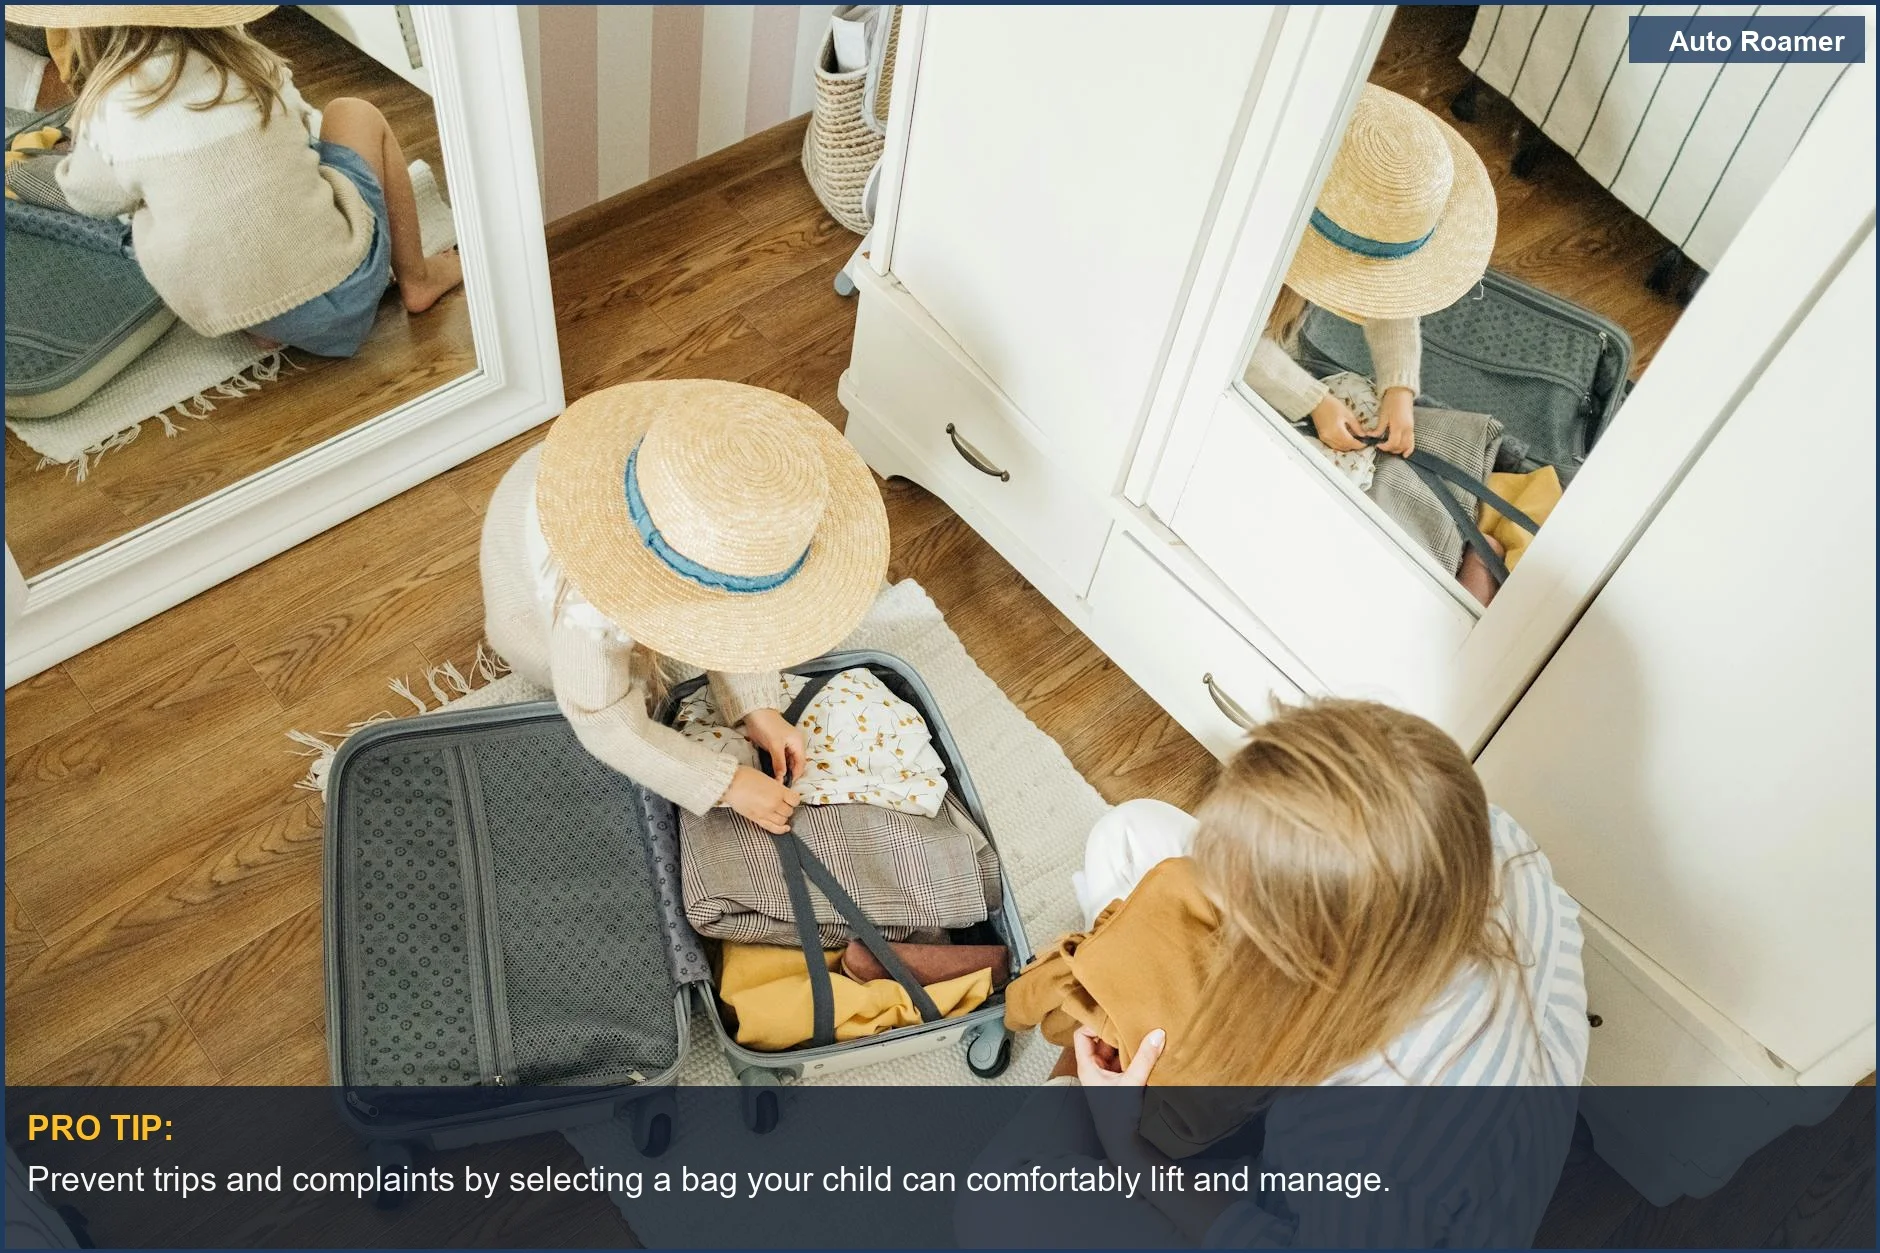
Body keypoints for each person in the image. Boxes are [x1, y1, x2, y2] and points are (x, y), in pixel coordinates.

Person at [963, 699, 1588, 1248]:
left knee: (994, 1207)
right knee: (1127, 834)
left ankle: (1098, 1063)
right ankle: (1114, 1046)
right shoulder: (1487, 834)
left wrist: (1129, 1149)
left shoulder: (1377, 1150)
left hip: (1312, 1213)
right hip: (1373, 1017)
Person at [478, 378, 891, 835]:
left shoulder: (690, 480)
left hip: (591, 510)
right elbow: (604, 723)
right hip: (533, 616)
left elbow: (735, 606)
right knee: (601, 682)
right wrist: (728, 784)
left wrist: (758, 708)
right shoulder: (588, 612)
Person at [9, 4, 461, 358]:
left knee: (152, 207)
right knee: (353, 113)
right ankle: (416, 277)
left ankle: (263, 324)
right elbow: (301, 133)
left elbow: (88, 197)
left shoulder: (106, 110)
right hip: (348, 283)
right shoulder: (253, 63)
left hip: (233, 312)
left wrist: (74, 158)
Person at [1245, 84, 1498, 462]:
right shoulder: (1244, 239)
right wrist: (1311, 400)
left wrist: (1398, 387)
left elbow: (1384, 278)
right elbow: (1220, 336)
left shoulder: (1341, 190)